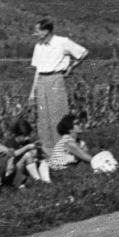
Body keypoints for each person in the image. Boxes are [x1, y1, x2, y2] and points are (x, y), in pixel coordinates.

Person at [27, 18, 87, 155]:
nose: (36, 33)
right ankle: (47, 152)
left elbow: (83, 52)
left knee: (58, 114)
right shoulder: (39, 46)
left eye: (38, 30)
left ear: (46, 31)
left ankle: (63, 150)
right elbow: (38, 70)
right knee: (43, 117)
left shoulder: (62, 42)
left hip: (55, 78)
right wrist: (32, 92)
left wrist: (71, 68)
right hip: (42, 80)